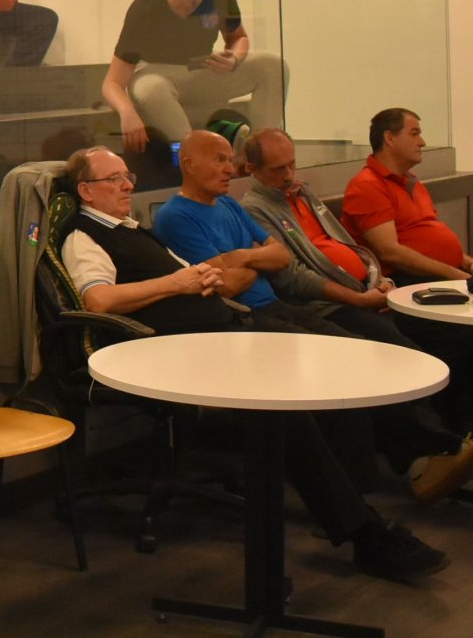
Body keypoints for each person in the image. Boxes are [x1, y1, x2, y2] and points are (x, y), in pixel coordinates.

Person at [60, 144, 450, 579]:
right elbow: (99, 299)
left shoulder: (132, 230)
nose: (128, 185)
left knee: (335, 371)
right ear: (86, 191)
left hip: (227, 330)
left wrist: (203, 278)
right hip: (177, 353)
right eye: (114, 179)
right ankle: (366, 532)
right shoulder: (84, 236)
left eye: (128, 176)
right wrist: (177, 282)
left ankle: (384, 487)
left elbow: (224, 275)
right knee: (290, 410)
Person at [155, 129, 473, 502]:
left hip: (279, 306)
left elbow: (279, 256)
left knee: (367, 353)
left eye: (230, 159)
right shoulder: (175, 217)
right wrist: (256, 262)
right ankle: (411, 463)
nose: (230, 168)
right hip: (244, 320)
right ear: (189, 164)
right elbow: (225, 283)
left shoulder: (228, 204)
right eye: (220, 160)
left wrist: (241, 257)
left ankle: (424, 453)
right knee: (347, 363)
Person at [243, 126, 473, 432]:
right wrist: (360, 297)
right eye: (278, 169)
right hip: (331, 304)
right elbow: (291, 276)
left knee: (453, 339)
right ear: (252, 169)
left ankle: (456, 429)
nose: (288, 175)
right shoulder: (255, 209)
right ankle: (434, 441)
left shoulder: (302, 193)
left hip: (370, 289)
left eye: (292, 164)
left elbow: (348, 245)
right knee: (405, 356)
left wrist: (377, 281)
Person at [101, 0, 285, 153]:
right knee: (151, 88)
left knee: (274, 66)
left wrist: (234, 58)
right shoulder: (144, 9)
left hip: (201, 69)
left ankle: (262, 151)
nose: (189, 3)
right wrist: (127, 111)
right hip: (157, 74)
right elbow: (112, 83)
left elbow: (239, 38)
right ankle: (195, 153)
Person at [344, 107, 473, 282]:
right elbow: (389, 252)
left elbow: (428, 233)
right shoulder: (367, 186)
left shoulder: (411, 182)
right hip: (409, 281)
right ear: (389, 138)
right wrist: (459, 276)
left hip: (447, 274)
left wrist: (467, 263)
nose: (422, 142)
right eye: (414, 134)